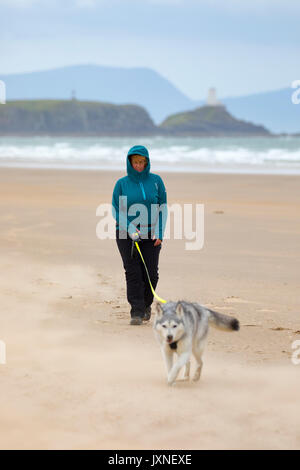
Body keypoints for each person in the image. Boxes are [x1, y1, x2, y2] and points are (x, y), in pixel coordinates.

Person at [112, 145, 167, 325]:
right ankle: (136, 311)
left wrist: (159, 232)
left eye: (142, 162)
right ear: (129, 162)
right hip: (126, 234)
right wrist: (129, 228)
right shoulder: (122, 184)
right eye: (135, 162)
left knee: (151, 274)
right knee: (133, 272)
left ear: (147, 162)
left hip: (151, 234)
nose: (139, 165)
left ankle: (146, 305)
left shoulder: (156, 181)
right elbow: (115, 210)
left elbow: (163, 208)